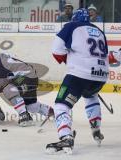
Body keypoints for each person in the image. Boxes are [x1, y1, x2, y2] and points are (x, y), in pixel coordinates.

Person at [46, 8, 109, 154]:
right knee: (90, 96)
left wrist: (69, 59)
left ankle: (66, 137)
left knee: (61, 105)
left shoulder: (71, 26)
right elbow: (104, 55)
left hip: (79, 74)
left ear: (74, 18)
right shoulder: (100, 31)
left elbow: (57, 50)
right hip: (100, 76)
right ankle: (96, 129)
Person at [0, 47, 53, 127]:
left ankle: (24, 116)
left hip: (27, 77)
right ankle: (52, 112)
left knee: (8, 90)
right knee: (31, 106)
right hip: (30, 77)